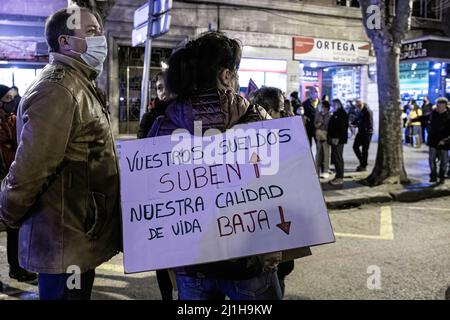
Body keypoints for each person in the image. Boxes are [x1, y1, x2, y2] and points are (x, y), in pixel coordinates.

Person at [148, 31, 284, 300]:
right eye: (234, 71)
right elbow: (283, 188)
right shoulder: (260, 119)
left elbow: (151, 199)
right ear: (225, 75)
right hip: (250, 262)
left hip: (190, 265)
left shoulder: (161, 125)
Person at [0, 7, 121, 300]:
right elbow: (31, 169)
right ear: (65, 42)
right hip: (64, 243)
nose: (100, 39)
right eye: (91, 32)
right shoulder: (58, 89)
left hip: (77, 236)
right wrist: (7, 213)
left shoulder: (79, 81)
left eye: (100, 31)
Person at [250, 86, 296, 297]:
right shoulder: (250, 142)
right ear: (267, 109)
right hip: (261, 238)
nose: (285, 113)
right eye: (280, 109)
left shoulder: (286, 138)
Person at [0, 85, 38, 284]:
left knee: (14, 226)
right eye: (7, 98)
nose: (11, 102)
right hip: (3, 178)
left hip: (11, 178)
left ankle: (16, 268)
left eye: (13, 98)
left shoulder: (13, 120)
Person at [413, 97, 450, 184]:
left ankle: (441, 176)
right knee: (431, 159)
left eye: (440, 106)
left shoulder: (448, 116)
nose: (438, 107)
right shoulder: (433, 114)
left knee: (444, 161)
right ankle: (433, 175)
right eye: (437, 105)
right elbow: (424, 118)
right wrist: (413, 119)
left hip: (444, 141)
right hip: (433, 140)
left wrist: (445, 140)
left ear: (444, 106)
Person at [137, 72, 172, 139]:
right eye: (159, 88)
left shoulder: (190, 114)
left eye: (168, 87)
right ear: (156, 91)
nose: (164, 91)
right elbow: (141, 146)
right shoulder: (148, 118)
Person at [327, 99, 349, 186]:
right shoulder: (337, 113)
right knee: (336, 157)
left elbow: (341, 128)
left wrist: (336, 137)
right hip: (335, 139)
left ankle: (340, 177)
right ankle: (338, 176)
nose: (332, 106)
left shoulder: (342, 114)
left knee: (338, 157)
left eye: (333, 105)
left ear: (338, 104)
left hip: (338, 139)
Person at [351, 99, 373, 171]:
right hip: (361, 132)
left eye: (359, 105)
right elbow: (357, 119)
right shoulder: (360, 111)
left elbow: (368, 123)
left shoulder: (368, 111)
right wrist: (352, 123)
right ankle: (362, 162)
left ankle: (363, 165)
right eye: (357, 105)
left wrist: (357, 125)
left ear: (362, 103)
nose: (357, 106)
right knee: (355, 147)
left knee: (365, 149)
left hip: (367, 133)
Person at [314, 100, 332, 179]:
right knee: (318, 154)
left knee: (326, 154)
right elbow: (315, 123)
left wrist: (321, 124)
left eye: (322, 106)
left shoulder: (329, 115)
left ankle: (325, 171)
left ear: (326, 107)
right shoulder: (319, 114)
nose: (321, 107)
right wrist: (319, 124)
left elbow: (328, 125)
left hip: (326, 136)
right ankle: (316, 170)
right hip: (319, 136)